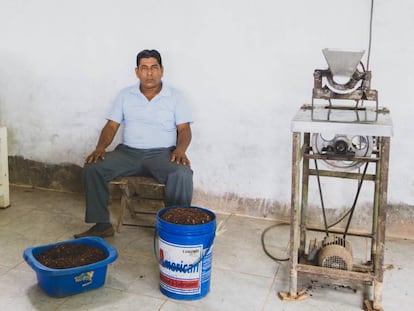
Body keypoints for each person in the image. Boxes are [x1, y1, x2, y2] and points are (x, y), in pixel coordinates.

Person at [74, 49, 193, 238]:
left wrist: (180, 150)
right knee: (92, 167)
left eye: (154, 67)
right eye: (144, 68)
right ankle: (102, 225)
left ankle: (175, 230)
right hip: (128, 154)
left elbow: (184, 129)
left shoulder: (175, 96)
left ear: (162, 70)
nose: (149, 73)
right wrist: (100, 147)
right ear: (137, 72)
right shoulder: (125, 95)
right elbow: (111, 126)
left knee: (182, 173)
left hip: (162, 155)